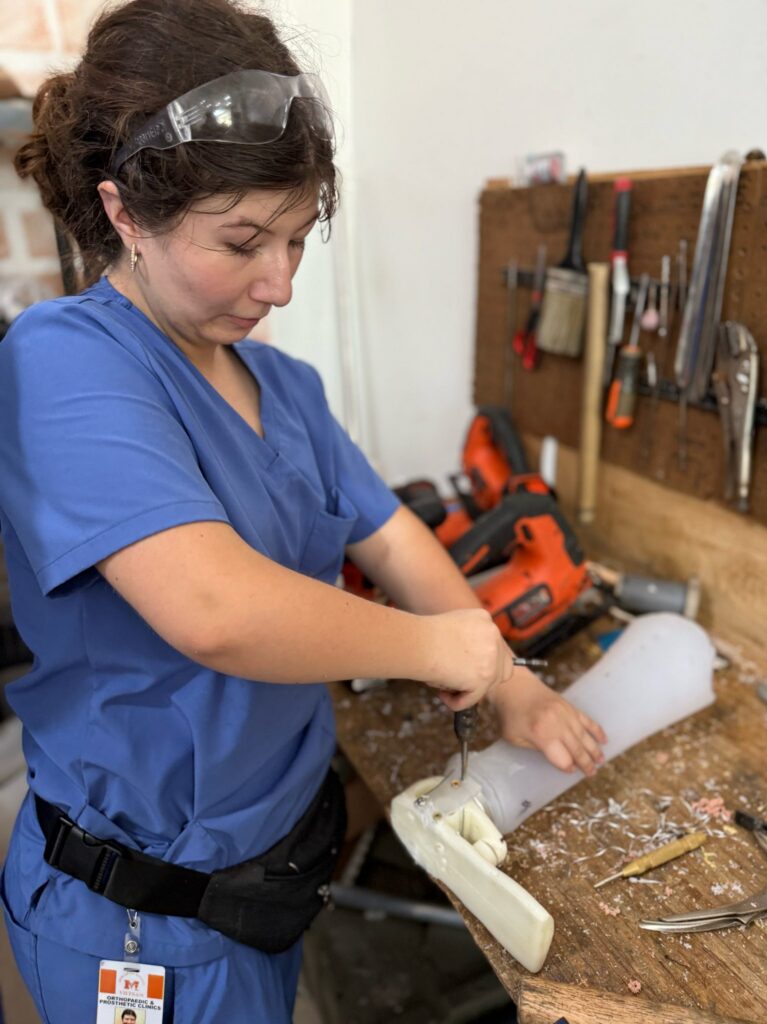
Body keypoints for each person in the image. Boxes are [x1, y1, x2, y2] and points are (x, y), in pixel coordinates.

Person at [0, 1, 607, 1020]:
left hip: (265, 880)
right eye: (240, 242)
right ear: (123, 213)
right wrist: (436, 649)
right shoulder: (61, 361)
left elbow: (395, 535)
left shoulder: (286, 390)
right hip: (143, 916)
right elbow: (216, 609)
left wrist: (509, 682)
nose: (278, 282)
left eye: (297, 235)